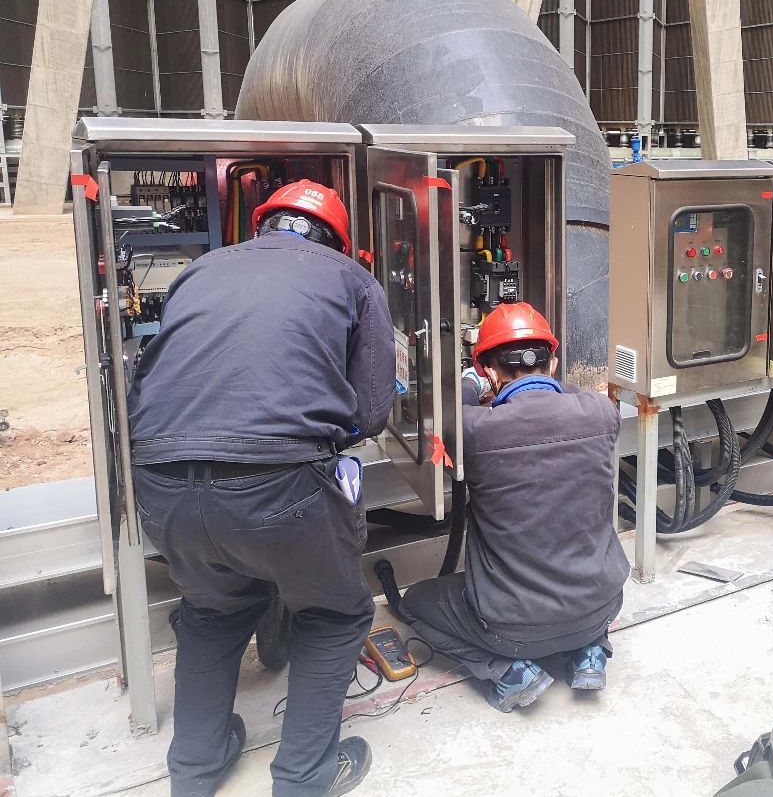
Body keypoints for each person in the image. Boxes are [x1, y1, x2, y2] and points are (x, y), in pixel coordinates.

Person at [128, 180, 394, 796]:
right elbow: (373, 410)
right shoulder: (353, 279)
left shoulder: (201, 270)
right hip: (278, 486)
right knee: (333, 614)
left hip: (162, 481)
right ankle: (303, 779)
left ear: (262, 225)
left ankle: (195, 773)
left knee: (211, 612)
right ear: (336, 240)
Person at [391, 302, 630, 712]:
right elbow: (572, 398)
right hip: (603, 606)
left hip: (510, 627)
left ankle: (508, 671)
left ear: (490, 372)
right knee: (578, 590)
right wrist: (538, 385)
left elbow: (444, 413)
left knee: (415, 602)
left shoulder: (476, 429)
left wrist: (471, 382)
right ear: (553, 364)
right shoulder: (602, 413)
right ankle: (589, 652)